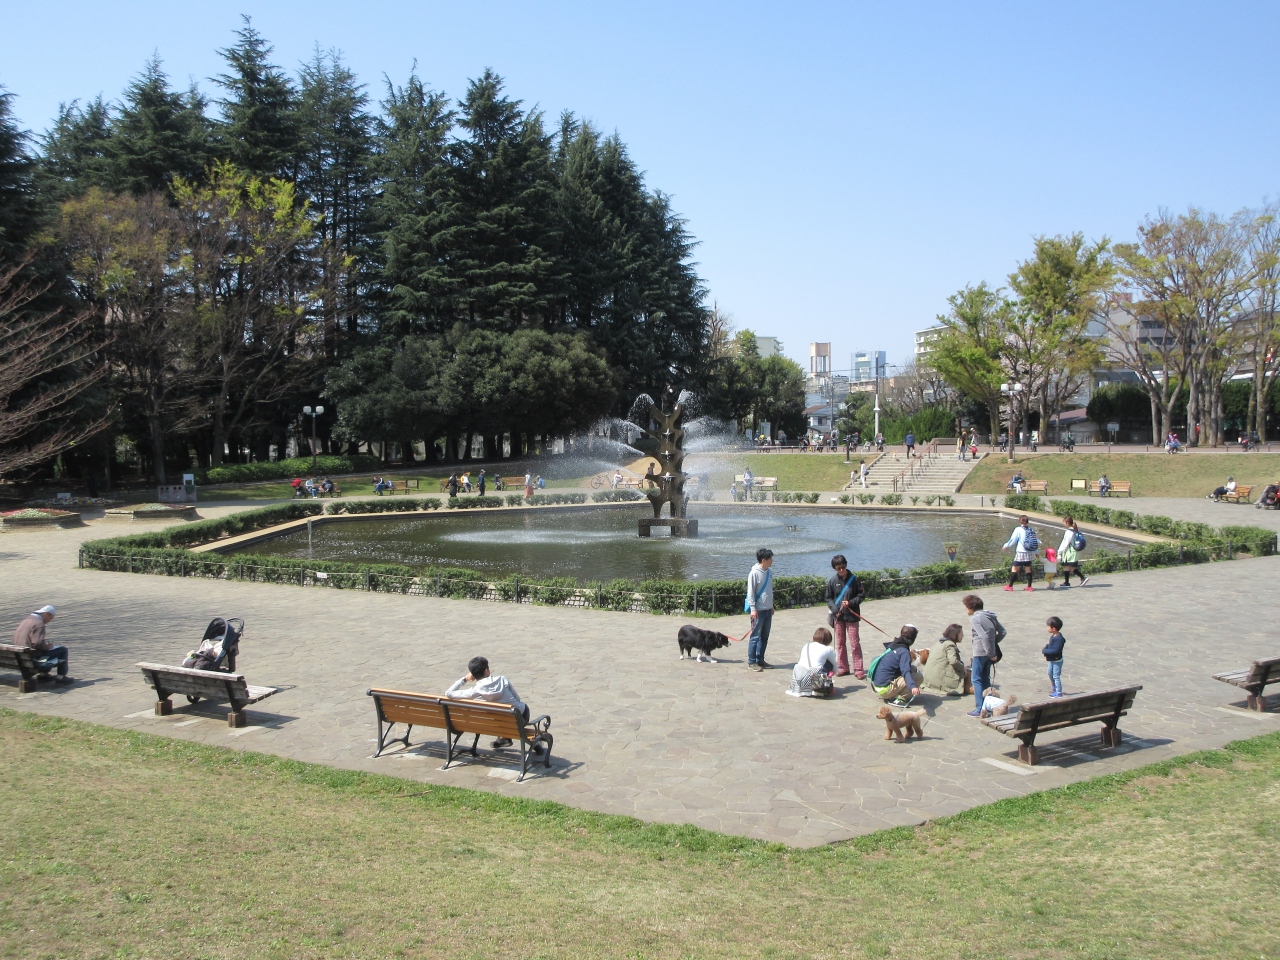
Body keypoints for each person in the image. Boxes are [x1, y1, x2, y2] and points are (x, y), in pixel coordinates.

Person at [446, 656, 540, 751]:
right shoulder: (503, 680)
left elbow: (448, 693)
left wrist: (465, 679)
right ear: (486, 670)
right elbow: (517, 699)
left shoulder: (474, 692)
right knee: (515, 710)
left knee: (498, 716)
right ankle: (518, 739)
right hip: (520, 717)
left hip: (494, 723)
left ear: (473, 675)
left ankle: (504, 737)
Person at [964, 594, 1006, 717]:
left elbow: (983, 636)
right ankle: (989, 705)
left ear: (970, 607)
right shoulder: (990, 616)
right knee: (986, 678)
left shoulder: (975, 619)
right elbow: (1003, 632)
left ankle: (979, 708)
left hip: (980, 652)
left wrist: (990, 651)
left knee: (976, 679)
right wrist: (993, 644)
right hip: (989, 653)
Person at [825, 554, 866, 679]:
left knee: (855, 643)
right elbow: (828, 598)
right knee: (840, 644)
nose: (841, 570)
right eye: (838, 568)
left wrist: (851, 603)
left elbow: (861, 595)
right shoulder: (832, 581)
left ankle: (858, 669)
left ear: (846, 565)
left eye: (843, 567)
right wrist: (835, 609)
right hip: (838, 617)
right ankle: (843, 667)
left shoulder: (855, 580)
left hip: (852, 616)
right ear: (835, 569)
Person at [12, 605, 72, 685]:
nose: (49, 621)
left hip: (20, 657)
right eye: (51, 618)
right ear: (47, 614)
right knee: (62, 650)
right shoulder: (39, 623)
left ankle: (43, 675)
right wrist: (48, 646)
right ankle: (61, 677)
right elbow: (38, 643)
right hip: (33, 659)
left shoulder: (26, 620)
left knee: (45, 652)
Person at [869, 625, 921, 705]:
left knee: (913, 668)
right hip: (885, 689)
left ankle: (893, 692)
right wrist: (912, 686)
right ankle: (898, 699)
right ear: (913, 639)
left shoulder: (894, 644)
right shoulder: (903, 652)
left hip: (878, 684)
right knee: (918, 677)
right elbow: (905, 671)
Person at [745, 547, 774, 672]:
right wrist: (753, 609)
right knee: (755, 636)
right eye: (770, 558)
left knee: (765, 636)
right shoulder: (754, 573)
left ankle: (760, 659)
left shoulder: (769, 572)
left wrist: (771, 605)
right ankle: (752, 661)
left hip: (768, 609)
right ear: (764, 560)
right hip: (758, 610)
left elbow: (769, 590)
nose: (772, 560)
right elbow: (750, 592)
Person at [787, 627, 838, 697]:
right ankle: (824, 684)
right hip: (813, 679)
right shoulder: (827, 649)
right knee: (829, 664)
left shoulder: (806, 645)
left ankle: (803, 688)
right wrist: (830, 676)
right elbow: (835, 667)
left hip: (799, 677)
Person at [921, 623, 969, 696]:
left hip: (928, 679)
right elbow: (953, 661)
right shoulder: (950, 645)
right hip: (938, 680)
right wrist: (963, 668)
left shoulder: (939, 642)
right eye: (961, 633)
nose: (963, 636)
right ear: (955, 634)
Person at [1002, 514, 1039, 592]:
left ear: (1020, 521)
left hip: (1021, 552)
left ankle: (1010, 586)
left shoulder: (1018, 529)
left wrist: (1006, 546)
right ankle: (1029, 586)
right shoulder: (1031, 530)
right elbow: (1035, 541)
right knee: (1028, 569)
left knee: (1014, 568)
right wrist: (1036, 552)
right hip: (1030, 552)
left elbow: (1013, 540)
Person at [1056, 517, 1089, 588]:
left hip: (1069, 552)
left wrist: (1059, 552)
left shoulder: (1068, 532)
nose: (1063, 524)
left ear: (1067, 523)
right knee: (1067, 567)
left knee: (1069, 567)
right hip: (1075, 552)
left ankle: (1082, 578)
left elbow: (1065, 543)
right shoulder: (1076, 530)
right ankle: (1067, 582)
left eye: (1064, 522)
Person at [1043, 616, 1066, 698]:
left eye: (1048, 626)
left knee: (1056, 675)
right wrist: (1047, 647)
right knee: (1049, 673)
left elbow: (1056, 650)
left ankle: (1058, 692)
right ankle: (1054, 687)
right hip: (1051, 660)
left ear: (1054, 628)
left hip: (1057, 661)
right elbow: (1051, 646)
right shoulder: (1053, 636)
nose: (1047, 628)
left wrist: (1045, 651)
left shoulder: (1059, 639)